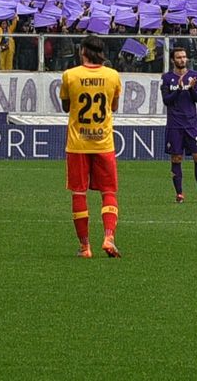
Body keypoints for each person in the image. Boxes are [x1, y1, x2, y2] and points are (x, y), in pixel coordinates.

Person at [62, 35, 122, 258]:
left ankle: (85, 247)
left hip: (77, 144)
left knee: (79, 193)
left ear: (82, 52)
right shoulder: (112, 75)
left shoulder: (70, 75)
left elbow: (66, 106)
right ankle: (108, 237)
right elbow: (113, 106)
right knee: (108, 191)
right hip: (104, 142)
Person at [161, 47, 197, 203]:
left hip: (191, 124)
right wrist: (180, 89)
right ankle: (179, 194)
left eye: (184, 56)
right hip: (174, 124)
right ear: (173, 60)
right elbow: (166, 100)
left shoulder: (194, 76)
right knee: (176, 158)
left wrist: (190, 88)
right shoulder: (167, 78)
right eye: (179, 57)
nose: (182, 59)